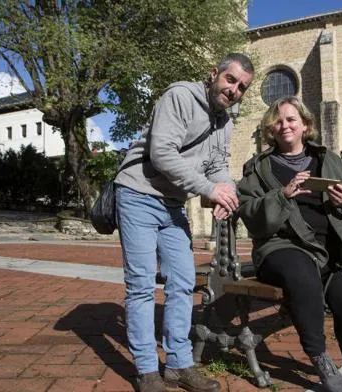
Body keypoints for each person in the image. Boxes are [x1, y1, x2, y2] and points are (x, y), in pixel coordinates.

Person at [114, 53, 254, 392]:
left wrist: (227, 194)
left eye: (242, 87)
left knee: (182, 280)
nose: (234, 90)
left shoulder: (226, 122)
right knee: (142, 284)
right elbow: (162, 153)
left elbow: (219, 165)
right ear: (214, 75)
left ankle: (177, 365)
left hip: (173, 205)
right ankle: (147, 370)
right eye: (230, 80)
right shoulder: (179, 96)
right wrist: (209, 189)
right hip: (138, 194)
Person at [237, 96, 342, 392]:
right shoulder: (259, 168)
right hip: (282, 246)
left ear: (305, 125)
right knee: (303, 277)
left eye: (291, 119)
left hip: (331, 244)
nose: (284, 125)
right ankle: (321, 359)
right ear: (271, 129)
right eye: (278, 120)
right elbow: (249, 212)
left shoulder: (329, 160)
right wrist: (282, 195)